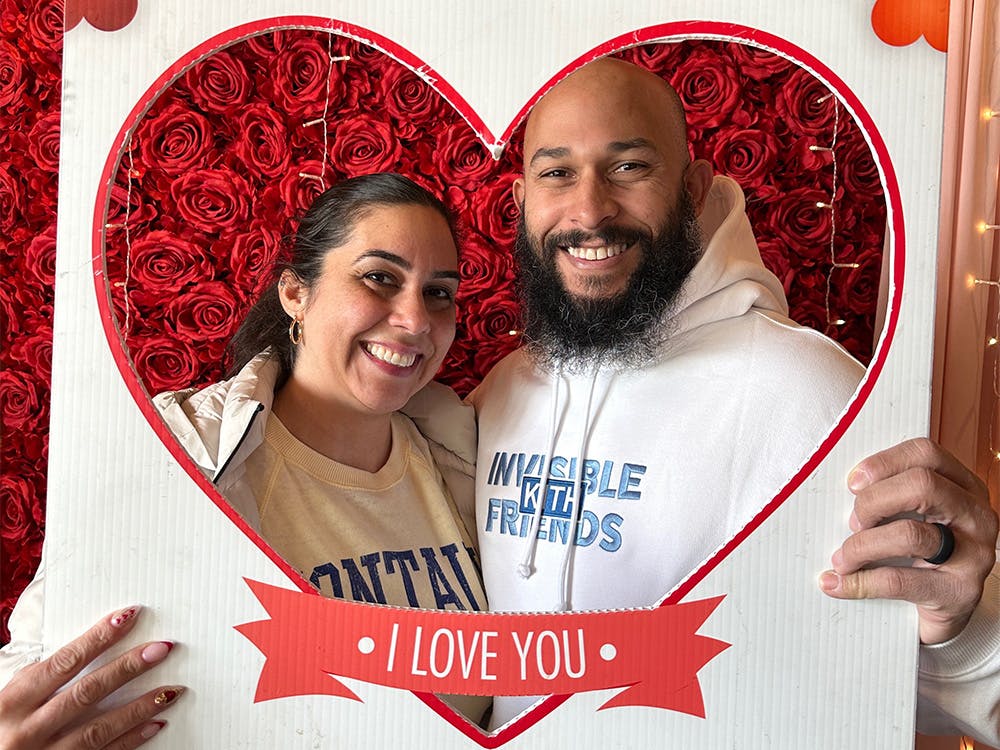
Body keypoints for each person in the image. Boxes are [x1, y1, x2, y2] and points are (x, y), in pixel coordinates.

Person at [469, 57, 999, 741]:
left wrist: (965, 636)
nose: (590, 209)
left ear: (693, 190)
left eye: (629, 167)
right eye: (556, 172)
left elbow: (941, 687)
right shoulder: (501, 390)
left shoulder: (810, 389)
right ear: (521, 203)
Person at [0, 172, 488, 743]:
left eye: (439, 292)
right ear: (295, 294)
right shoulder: (183, 451)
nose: (416, 320)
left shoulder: (466, 453)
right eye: (378, 278)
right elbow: (37, 665)